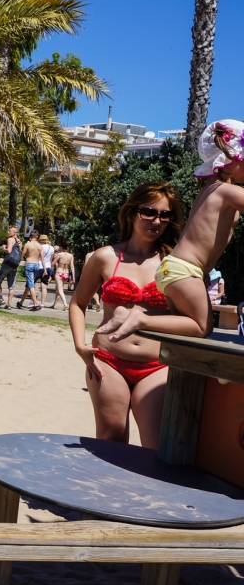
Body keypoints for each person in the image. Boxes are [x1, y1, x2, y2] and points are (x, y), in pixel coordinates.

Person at [99, 120, 244, 341]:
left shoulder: (210, 190)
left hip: (175, 268)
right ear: (229, 161)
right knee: (202, 327)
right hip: (185, 270)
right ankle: (139, 318)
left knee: (182, 326)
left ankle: (127, 315)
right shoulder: (226, 191)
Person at [69, 182, 184, 449]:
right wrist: (79, 345)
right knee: (110, 440)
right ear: (132, 213)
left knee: (155, 447)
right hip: (107, 361)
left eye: (165, 215)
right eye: (149, 212)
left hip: (158, 365)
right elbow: (78, 303)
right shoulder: (105, 257)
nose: (157, 221)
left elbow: (192, 318)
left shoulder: (174, 263)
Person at [0, 226, 21, 309]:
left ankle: (1, 299)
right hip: (15, 264)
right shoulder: (19, 242)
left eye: (10, 231)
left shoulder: (10, 239)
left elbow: (8, 251)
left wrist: (3, 247)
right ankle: (9, 304)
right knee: (11, 285)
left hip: (7, 263)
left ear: (14, 233)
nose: (8, 232)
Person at [16, 230, 44, 311]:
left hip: (29, 264)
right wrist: (45, 269)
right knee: (29, 285)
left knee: (31, 285)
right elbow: (42, 258)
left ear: (30, 236)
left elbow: (22, 254)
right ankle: (21, 303)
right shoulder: (40, 246)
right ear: (37, 236)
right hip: (36, 265)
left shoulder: (28, 244)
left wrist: (18, 261)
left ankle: (35, 304)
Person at [48, 244, 75, 310]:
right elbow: (72, 266)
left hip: (59, 272)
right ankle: (55, 305)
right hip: (66, 273)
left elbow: (53, 263)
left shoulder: (59, 254)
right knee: (58, 289)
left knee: (60, 290)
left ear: (62, 248)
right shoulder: (71, 255)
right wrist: (73, 277)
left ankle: (65, 304)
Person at [38, 235, 55, 307]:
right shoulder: (52, 248)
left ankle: (33, 301)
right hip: (48, 267)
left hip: (39, 266)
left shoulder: (40, 247)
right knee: (44, 286)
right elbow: (51, 259)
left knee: (32, 285)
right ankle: (42, 304)